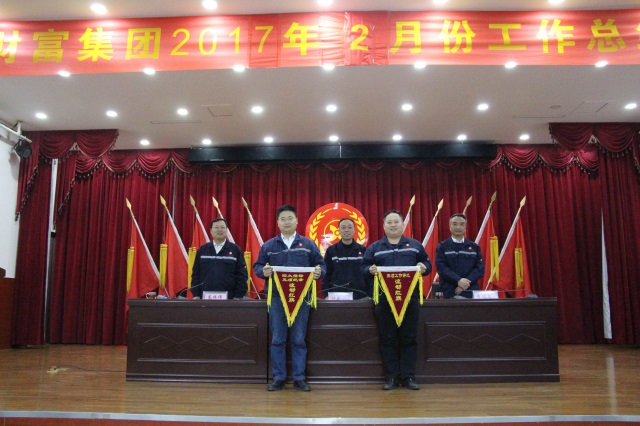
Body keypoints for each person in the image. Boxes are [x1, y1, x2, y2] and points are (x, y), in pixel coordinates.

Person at [254, 205, 326, 392]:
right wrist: (263, 271)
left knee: (299, 339)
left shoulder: (308, 245)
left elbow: (321, 265)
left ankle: (299, 378)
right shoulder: (269, 246)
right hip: (277, 298)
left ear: (297, 221)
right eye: (283, 219)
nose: (287, 222)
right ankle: (278, 378)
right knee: (278, 338)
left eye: (290, 218)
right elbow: (258, 267)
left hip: (302, 298)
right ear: (277, 223)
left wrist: (319, 272)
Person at [362, 209, 431, 391]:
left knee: (409, 338)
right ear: (384, 226)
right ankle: (391, 377)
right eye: (389, 222)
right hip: (384, 299)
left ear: (403, 224)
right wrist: (369, 270)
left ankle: (409, 377)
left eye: (396, 222)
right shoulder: (375, 248)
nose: (393, 225)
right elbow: (363, 267)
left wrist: (423, 266)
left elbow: (428, 265)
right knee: (388, 338)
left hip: (410, 299)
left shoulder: (415, 245)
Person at [190, 218, 248, 299]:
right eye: (216, 227)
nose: (219, 230)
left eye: (222, 227)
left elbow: (242, 275)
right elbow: (196, 274)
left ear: (226, 230)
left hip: (230, 297)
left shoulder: (235, 250)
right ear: (211, 231)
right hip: (205, 296)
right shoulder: (203, 250)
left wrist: (238, 295)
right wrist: (196, 294)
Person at [435, 213, 485, 299]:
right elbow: (442, 268)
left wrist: (465, 283)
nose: (458, 227)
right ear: (450, 226)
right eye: (455, 224)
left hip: (470, 290)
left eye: (462, 224)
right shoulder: (442, 247)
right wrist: (458, 280)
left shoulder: (474, 247)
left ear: (465, 227)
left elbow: (480, 269)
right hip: (448, 292)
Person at [322, 218, 370, 299]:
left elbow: (367, 274)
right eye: (343, 227)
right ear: (339, 231)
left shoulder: (363, 250)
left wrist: (369, 294)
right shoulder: (331, 250)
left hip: (360, 295)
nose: (346, 230)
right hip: (337, 295)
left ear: (354, 230)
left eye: (349, 227)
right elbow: (326, 274)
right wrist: (326, 294)